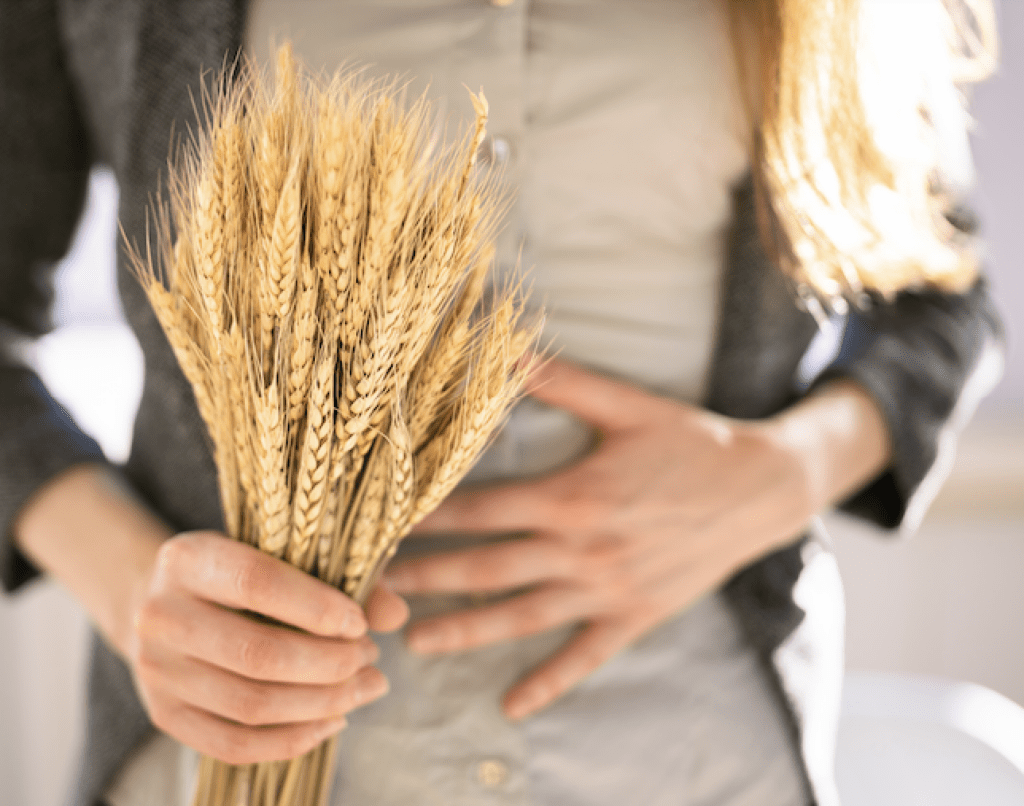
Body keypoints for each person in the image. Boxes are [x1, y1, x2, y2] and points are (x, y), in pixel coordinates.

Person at [0, 1, 1003, 805]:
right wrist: (139, 591)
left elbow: (940, 296)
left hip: (693, 754)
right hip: (245, 769)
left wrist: (786, 468)